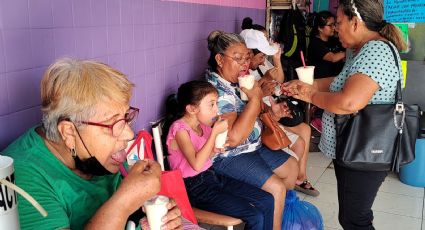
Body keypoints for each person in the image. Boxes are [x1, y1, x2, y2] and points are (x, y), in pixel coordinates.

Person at [2, 59, 183, 230]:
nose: (128, 134)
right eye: (113, 124)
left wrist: (148, 214)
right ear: (69, 132)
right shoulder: (22, 177)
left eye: (126, 118)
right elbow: (120, 205)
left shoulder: (95, 157)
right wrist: (125, 201)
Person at [283, 0, 407, 228]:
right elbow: (342, 83)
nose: (336, 29)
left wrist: (310, 96)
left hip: (366, 148)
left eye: (339, 22)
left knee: (355, 219)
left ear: (355, 22)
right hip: (352, 144)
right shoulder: (357, 50)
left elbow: (349, 101)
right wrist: (306, 86)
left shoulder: (376, 50)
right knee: (351, 215)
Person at [205, 30, 299, 230]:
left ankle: (274, 215)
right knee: (277, 188)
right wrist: (256, 98)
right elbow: (234, 138)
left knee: (292, 168)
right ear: (220, 60)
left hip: (253, 146)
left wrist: (267, 107)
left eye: (247, 58)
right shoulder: (216, 91)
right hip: (230, 156)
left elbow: (249, 114)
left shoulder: (237, 82)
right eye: (238, 59)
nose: (245, 64)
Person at [164, 80, 275, 230]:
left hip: (211, 177)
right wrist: (214, 133)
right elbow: (196, 164)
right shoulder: (179, 129)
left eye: (216, 103)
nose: (216, 110)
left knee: (267, 199)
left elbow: (206, 155)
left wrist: (216, 148)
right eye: (211, 104)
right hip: (193, 188)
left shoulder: (202, 125)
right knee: (254, 215)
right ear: (192, 109)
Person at [240, 28, 319, 197]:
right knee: (298, 143)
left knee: (305, 129)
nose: (263, 61)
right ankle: (289, 182)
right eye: (261, 56)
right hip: (263, 119)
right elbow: (248, 103)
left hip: (269, 112)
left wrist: (276, 61)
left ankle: (299, 177)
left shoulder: (261, 64)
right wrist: (265, 83)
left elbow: (277, 84)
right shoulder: (242, 75)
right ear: (247, 54)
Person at [308, 11, 346, 133]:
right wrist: (347, 53)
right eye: (330, 25)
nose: (334, 28)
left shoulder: (333, 41)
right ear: (320, 28)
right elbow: (333, 58)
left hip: (335, 78)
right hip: (321, 80)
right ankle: (318, 119)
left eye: (335, 24)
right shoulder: (315, 43)